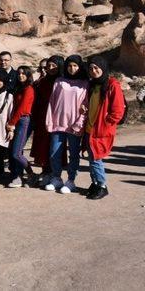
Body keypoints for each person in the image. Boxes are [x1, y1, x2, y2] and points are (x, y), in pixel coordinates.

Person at [82, 56, 125, 200]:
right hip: (89, 129)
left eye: (96, 68)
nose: (93, 71)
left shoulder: (112, 84)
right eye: (91, 68)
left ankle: (102, 185)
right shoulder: (93, 84)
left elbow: (118, 111)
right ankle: (94, 183)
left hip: (101, 130)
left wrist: (106, 123)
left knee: (96, 159)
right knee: (92, 159)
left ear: (103, 67)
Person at [44, 55, 89, 194]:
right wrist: (49, 120)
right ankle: (57, 178)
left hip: (74, 125)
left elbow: (86, 105)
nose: (72, 68)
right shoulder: (59, 81)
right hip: (58, 123)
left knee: (74, 154)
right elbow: (52, 102)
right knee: (54, 153)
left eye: (75, 65)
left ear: (80, 67)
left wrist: (80, 123)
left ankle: (71, 181)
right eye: (69, 65)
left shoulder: (85, 83)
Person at [30, 55, 64, 186]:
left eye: (52, 66)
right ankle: (46, 172)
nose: (49, 69)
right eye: (46, 66)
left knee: (54, 147)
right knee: (43, 146)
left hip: (58, 119)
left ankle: (55, 176)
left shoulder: (63, 81)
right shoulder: (41, 82)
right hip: (42, 118)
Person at [5, 66, 36, 188]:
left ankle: (32, 174)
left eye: (24, 73)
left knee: (16, 153)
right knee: (16, 150)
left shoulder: (29, 89)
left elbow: (22, 109)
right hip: (17, 120)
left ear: (28, 75)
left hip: (24, 121)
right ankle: (17, 176)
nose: (20, 75)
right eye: (19, 73)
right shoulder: (19, 89)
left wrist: (11, 123)